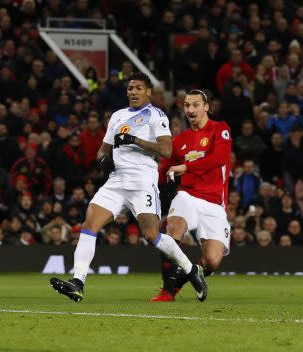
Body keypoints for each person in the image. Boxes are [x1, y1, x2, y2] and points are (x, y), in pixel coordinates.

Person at [49, 72, 207, 302]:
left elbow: (166, 151)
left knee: (152, 235)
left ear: (148, 92)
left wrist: (135, 140)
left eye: (138, 88)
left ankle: (191, 269)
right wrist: (104, 160)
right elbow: (103, 149)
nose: (133, 92)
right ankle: (78, 282)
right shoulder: (117, 116)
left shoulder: (156, 115)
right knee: (90, 224)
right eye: (130, 88)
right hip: (116, 181)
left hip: (142, 181)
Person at [151, 89, 232, 302]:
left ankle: (185, 277)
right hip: (188, 196)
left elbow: (219, 159)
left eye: (196, 105)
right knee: (174, 226)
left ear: (207, 107)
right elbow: (163, 171)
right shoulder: (180, 141)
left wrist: (185, 167)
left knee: (212, 261)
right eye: (187, 105)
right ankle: (167, 291)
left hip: (215, 203)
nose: (190, 109)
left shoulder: (220, 129)